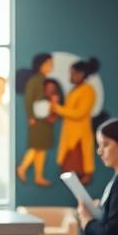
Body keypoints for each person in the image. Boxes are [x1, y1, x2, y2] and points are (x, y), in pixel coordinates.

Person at [50, 59, 97, 184]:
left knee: (79, 174)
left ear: (81, 74)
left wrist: (58, 108)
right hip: (69, 137)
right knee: (68, 174)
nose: (70, 76)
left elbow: (79, 113)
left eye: (73, 73)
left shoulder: (87, 90)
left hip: (79, 138)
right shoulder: (74, 90)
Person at [17, 54, 55, 185]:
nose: (51, 66)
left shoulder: (46, 80)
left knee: (42, 148)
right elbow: (28, 99)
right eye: (48, 63)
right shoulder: (34, 80)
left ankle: (39, 176)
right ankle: (22, 167)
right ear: (40, 65)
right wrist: (31, 116)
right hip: (37, 119)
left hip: (45, 119)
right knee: (35, 146)